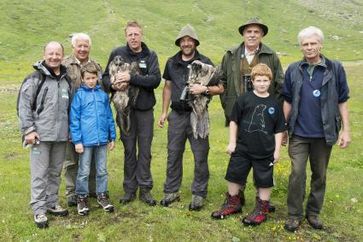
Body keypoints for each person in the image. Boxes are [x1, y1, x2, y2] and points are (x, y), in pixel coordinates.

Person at [283, 26, 351, 232]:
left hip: (324, 133)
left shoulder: (335, 68)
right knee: (297, 173)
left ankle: (313, 212)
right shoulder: (294, 69)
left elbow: (342, 101)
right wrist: (283, 128)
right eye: (305, 44)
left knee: (319, 174)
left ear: (321, 44)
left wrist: (346, 130)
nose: (309, 47)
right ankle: (294, 214)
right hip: (299, 133)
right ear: (300, 47)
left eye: (313, 43)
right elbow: (287, 101)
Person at [219, 17, 284, 212]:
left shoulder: (270, 55)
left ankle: (261, 201)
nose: (252, 35)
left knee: (261, 155)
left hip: (264, 116)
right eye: (249, 31)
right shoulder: (231, 54)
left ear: (261, 34)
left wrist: (274, 114)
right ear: (243, 34)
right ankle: (235, 199)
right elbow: (222, 81)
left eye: (256, 32)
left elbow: (280, 84)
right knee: (239, 156)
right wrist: (228, 105)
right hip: (238, 115)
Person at [158, 24, 224, 211]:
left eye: (190, 40)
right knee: (173, 154)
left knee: (200, 155)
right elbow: (168, 87)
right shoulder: (171, 62)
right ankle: (171, 191)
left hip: (199, 114)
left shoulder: (205, 62)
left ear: (195, 42)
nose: (186, 43)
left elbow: (220, 87)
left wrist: (204, 89)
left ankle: (199, 194)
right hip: (177, 115)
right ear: (179, 43)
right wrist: (164, 112)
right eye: (183, 41)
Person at [211, 64, 285, 225]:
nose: (262, 83)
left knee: (264, 180)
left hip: (265, 150)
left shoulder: (274, 104)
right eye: (258, 80)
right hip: (242, 148)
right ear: (252, 81)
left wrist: (277, 151)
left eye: (265, 80)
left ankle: (262, 208)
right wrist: (232, 142)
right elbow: (233, 121)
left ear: (270, 82)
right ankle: (233, 203)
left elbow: (279, 130)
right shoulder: (244, 99)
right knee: (234, 174)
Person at [102, 20, 161, 206]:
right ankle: (129, 189)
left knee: (144, 150)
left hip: (144, 110)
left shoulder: (150, 55)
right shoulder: (117, 53)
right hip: (124, 111)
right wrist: (112, 85)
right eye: (130, 35)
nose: (133, 38)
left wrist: (131, 77)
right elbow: (104, 78)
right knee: (129, 150)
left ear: (141, 34)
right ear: (126, 36)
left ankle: (145, 189)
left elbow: (155, 80)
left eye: (136, 34)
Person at [18, 41, 70, 228]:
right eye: (51, 53)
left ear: (62, 56)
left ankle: (51, 202)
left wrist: (69, 131)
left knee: (55, 172)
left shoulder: (66, 80)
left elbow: (69, 109)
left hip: (61, 136)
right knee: (39, 174)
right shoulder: (34, 79)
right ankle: (39, 209)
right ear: (44, 54)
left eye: (58, 53)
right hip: (40, 136)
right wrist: (29, 130)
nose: (54, 57)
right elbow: (23, 106)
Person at [70, 63, 116, 216]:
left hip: (102, 140)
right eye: (88, 78)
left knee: (102, 170)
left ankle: (102, 194)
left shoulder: (103, 96)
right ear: (82, 79)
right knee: (84, 170)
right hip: (85, 142)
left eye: (93, 78)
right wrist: (77, 141)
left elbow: (109, 117)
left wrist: (112, 137)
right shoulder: (79, 96)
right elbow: (74, 119)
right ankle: (81, 197)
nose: (91, 81)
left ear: (98, 78)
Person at [62, 33, 103, 207]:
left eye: (86, 46)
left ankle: (91, 189)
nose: (83, 49)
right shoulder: (64, 65)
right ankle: (72, 192)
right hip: (68, 117)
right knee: (71, 158)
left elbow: (102, 90)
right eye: (79, 45)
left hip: (91, 121)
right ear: (73, 47)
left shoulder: (96, 66)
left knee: (92, 156)